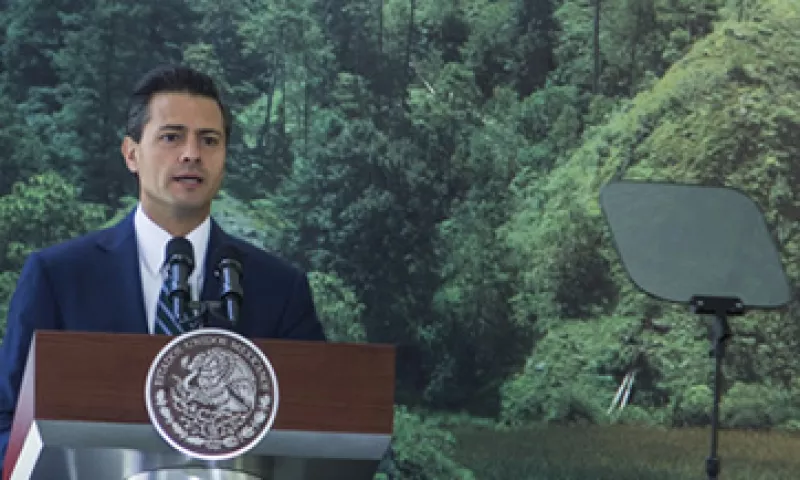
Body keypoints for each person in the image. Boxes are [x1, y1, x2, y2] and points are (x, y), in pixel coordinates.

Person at [0, 65, 326, 472]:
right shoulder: (58, 277)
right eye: (172, 137)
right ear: (131, 153)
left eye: (209, 140)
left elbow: (319, 428)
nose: (191, 153)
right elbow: (8, 422)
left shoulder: (280, 289)